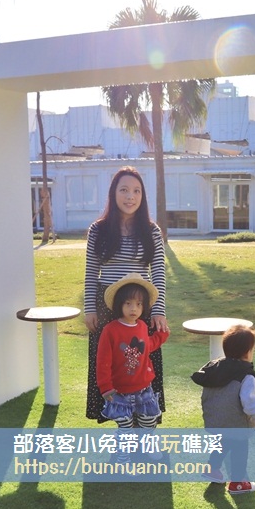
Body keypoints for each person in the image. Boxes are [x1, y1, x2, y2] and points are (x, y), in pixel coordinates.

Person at [84, 167, 169, 423]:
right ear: (113, 193)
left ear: (142, 196)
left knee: (141, 364)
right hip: (106, 303)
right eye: (124, 190)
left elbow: (159, 273)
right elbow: (91, 272)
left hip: (140, 305)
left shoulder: (152, 230)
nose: (130, 196)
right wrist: (90, 308)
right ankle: (122, 429)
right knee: (109, 366)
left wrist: (158, 309)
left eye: (136, 191)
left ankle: (146, 423)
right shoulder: (98, 230)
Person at [95, 275, 170, 462]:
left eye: (138, 304)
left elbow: (147, 347)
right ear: (120, 304)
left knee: (148, 421)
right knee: (125, 427)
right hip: (119, 392)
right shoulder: (110, 330)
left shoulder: (143, 326)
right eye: (128, 303)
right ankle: (123, 458)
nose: (133, 308)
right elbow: (102, 361)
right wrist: (105, 387)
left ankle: (148, 446)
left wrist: (162, 335)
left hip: (144, 388)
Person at [191, 325, 255, 495]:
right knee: (239, 450)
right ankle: (238, 483)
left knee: (221, 444)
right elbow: (250, 404)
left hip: (214, 420)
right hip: (236, 424)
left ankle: (212, 469)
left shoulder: (214, 367)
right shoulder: (247, 376)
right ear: (247, 352)